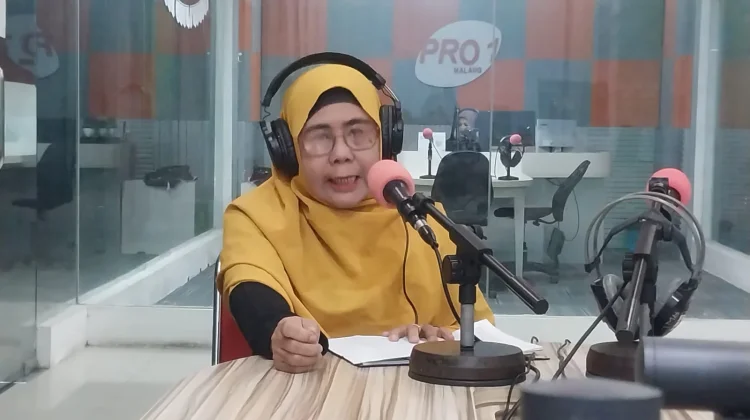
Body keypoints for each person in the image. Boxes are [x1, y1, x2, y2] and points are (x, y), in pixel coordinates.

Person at [218, 63, 495, 374]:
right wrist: (279, 331)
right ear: (289, 150)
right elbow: (249, 287)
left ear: (385, 139)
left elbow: (478, 332)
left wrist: (441, 339)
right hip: (306, 388)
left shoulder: (424, 222)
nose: (341, 153)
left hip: (414, 388)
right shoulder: (254, 215)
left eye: (358, 133)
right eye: (319, 137)